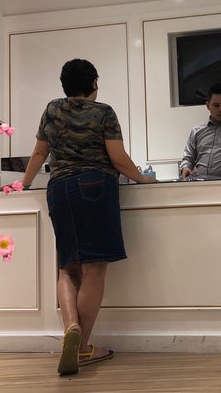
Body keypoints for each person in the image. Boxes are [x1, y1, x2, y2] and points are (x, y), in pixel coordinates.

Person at [22, 58, 157, 376]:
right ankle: (82, 347)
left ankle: (71, 328)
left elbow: (40, 153)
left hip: (59, 189)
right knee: (94, 268)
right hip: (95, 187)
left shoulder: (52, 109)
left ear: (65, 85)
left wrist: (23, 184)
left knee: (68, 267)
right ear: (94, 83)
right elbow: (118, 158)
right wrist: (143, 179)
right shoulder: (104, 112)